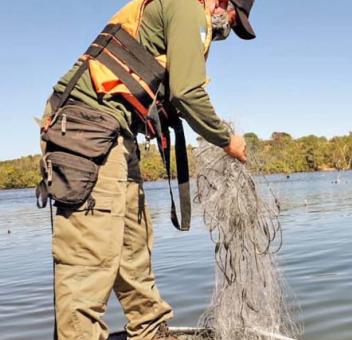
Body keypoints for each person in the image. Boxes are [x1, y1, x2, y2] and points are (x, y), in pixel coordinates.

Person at [39, 0, 255, 339]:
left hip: (115, 132)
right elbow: (187, 93)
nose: (227, 28)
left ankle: (150, 331)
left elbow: (169, 92)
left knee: (133, 244)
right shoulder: (188, 8)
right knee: (90, 257)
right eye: (233, 19)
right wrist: (226, 140)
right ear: (223, 2)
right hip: (85, 128)